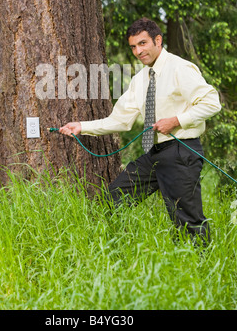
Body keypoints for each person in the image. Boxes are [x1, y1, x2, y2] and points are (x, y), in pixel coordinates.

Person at [59, 18, 221, 245]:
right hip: (155, 153)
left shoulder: (180, 68)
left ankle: (201, 269)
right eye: (133, 47)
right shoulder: (140, 79)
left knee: (187, 222)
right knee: (113, 199)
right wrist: (82, 127)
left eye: (143, 43)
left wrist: (176, 120)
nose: (138, 51)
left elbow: (212, 102)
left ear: (158, 40)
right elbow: (120, 120)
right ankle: (114, 250)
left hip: (181, 152)